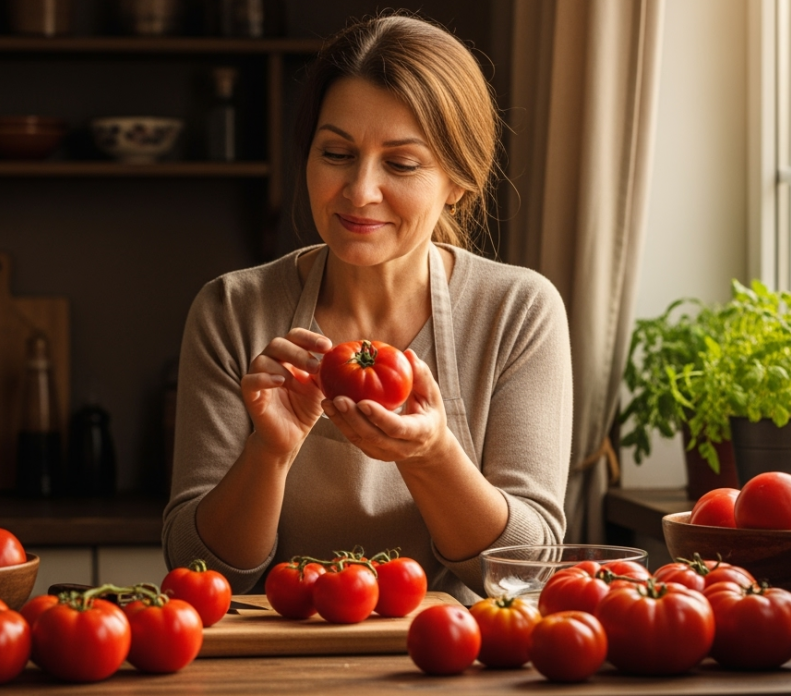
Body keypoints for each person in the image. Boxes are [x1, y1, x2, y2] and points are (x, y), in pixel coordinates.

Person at [162, 13, 572, 603]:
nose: (359, 191)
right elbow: (199, 571)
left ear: (458, 180)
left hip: (453, 663)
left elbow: (529, 567)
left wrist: (431, 455)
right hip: (272, 670)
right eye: (336, 153)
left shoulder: (517, 311)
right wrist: (269, 451)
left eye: (401, 164)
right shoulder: (232, 309)